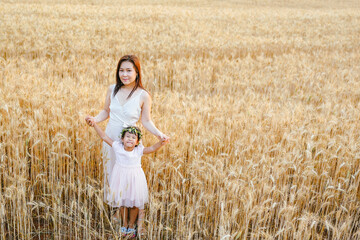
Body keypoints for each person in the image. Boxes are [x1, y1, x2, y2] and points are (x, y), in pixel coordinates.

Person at [85, 55, 169, 234]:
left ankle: (140, 221)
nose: (124, 74)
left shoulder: (143, 95)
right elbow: (106, 111)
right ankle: (120, 215)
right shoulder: (112, 89)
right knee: (114, 175)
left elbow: (146, 121)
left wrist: (159, 134)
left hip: (129, 140)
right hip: (112, 138)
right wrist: (94, 119)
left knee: (133, 180)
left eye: (129, 70)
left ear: (137, 72)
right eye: (121, 70)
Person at [89, 123, 168, 238]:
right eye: (127, 136)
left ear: (137, 142)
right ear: (122, 139)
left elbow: (151, 148)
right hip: (120, 179)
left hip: (135, 179)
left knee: (135, 203)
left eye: (133, 137)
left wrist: (161, 143)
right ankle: (124, 225)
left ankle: (131, 226)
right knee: (122, 202)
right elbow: (104, 137)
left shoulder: (138, 150)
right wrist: (95, 124)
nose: (130, 139)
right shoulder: (117, 147)